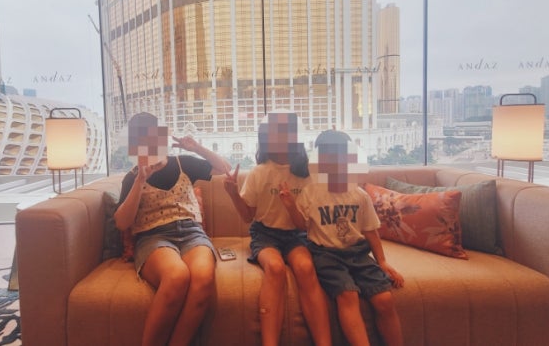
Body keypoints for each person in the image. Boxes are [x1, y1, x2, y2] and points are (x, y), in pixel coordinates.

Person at [114, 112, 231, 346]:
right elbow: (122, 223)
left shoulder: (182, 162)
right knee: (177, 276)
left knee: (203, 278)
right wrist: (140, 181)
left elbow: (225, 168)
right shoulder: (132, 177)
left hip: (192, 233)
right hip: (154, 238)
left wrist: (197, 148)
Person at [279, 129, 404, 346]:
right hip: (326, 255)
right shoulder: (311, 193)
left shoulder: (360, 195)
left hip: (358, 254)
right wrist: (290, 206)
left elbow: (370, 231)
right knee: (348, 295)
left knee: (384, 299)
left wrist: (382, 261)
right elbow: (302, 226)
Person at [223, 111, 332, 346]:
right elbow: (247, 216)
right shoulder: (260, 171)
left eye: (285, 132)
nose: (278, 137)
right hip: (265, 234)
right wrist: (233, 193)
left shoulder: (307, 173)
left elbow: (305, 223)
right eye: (272, 132)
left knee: (305, 267)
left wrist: (291, 206)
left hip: (297, 234)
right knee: (275, 268)